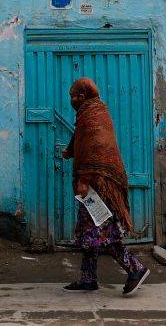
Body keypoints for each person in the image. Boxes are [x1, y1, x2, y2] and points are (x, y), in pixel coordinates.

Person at [61, 77, 150, 295]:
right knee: (88, 231)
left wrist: (84, 179)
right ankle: (88, 279)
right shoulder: (91, 111)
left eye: (73, 96)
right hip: (96, 183)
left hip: (99, 183)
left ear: (82, 96)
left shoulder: (92, 114)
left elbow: (96, 146)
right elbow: (82, 137)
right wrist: (71, 149)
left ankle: (135, 268)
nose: (71, 100)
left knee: (102, 231)